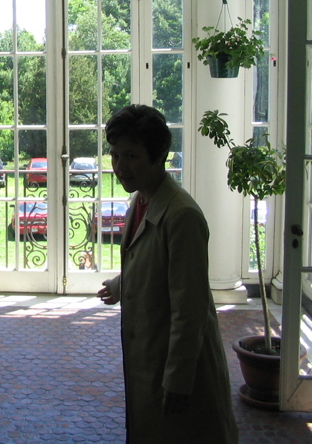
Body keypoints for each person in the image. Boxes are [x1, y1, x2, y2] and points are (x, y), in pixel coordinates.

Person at [96, 104, 238, 444]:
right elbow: (153, 264)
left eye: (131, 156)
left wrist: (177, 381)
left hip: (178, 367)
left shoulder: (182, 216)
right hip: (151, 357)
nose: (120, 167)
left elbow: (190, 310)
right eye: (115, 155)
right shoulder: (142, 200)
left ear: (159, 155)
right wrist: (121, 284)